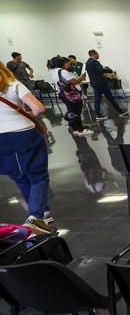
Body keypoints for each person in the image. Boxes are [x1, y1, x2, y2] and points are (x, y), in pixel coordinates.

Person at [0, 63, 52, 234]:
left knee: (19, 176)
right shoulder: (13, 84)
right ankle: (36, 217)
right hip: (25, 134)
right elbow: (38, 108)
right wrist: (25, 114)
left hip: (2, 138)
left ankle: (40, 215)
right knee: (38, 176)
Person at [49, 55, 89, 136]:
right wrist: (82, 77)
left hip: (62, 93)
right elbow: (74, 81)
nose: (69, 66)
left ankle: (73, 127)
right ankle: (80, 130)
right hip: (71, 94)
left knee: (71, 111)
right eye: (68, 64)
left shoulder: (53, 71)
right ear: (62, 63)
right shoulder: (63, 71)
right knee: (76, 112)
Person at [86, 49, 128, 119]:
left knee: (97, 100)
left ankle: (98, 114)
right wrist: (110, 70)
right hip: (101, 83)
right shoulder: (95, 62)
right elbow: (100, 70)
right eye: (97, 54)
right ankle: (120, 111)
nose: (98, 55)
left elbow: (95, 72)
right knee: (110, 98)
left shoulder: (87, 63)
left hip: (94, 83)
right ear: (93, 54)